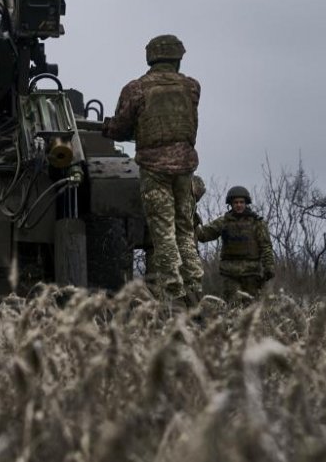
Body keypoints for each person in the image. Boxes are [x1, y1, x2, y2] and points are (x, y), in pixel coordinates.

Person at [102, 34, 203, 305]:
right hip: (185, 166)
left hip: (154, 167)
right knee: (185, 228)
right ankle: (195, 283)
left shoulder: (136, 89)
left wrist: (108, 128)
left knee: (163, 231)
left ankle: (174, 291)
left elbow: (121, 128)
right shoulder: (192, 87)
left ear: (151, 57)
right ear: (178, 58)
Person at [196, 185, 276, 302]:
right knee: (232, 305)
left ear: (246, 203)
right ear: (231, 204)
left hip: (251, 273)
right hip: (230, 273)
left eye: (241, 202)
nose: (239, 205)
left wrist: (269, 266)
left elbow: (266, 246)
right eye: (236, 202)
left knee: (251, 308)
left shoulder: (257, 223)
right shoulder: (223, 222)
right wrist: (191, 222)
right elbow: (203, 235)